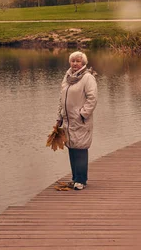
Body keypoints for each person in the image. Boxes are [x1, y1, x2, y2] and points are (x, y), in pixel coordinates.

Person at [56, 51, 98, 190]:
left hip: (80, 120)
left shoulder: (88, 78)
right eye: (73, 61)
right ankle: (75, 178)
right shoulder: (67, 77)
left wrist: (82, 114)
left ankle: (81, 180)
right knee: (72, 148)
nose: (75, 63)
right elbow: (62, 99)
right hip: (68, 121)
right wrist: (59, 117)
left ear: (83, 63)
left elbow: (92, 99)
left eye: (78, 61)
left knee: (80, 148)